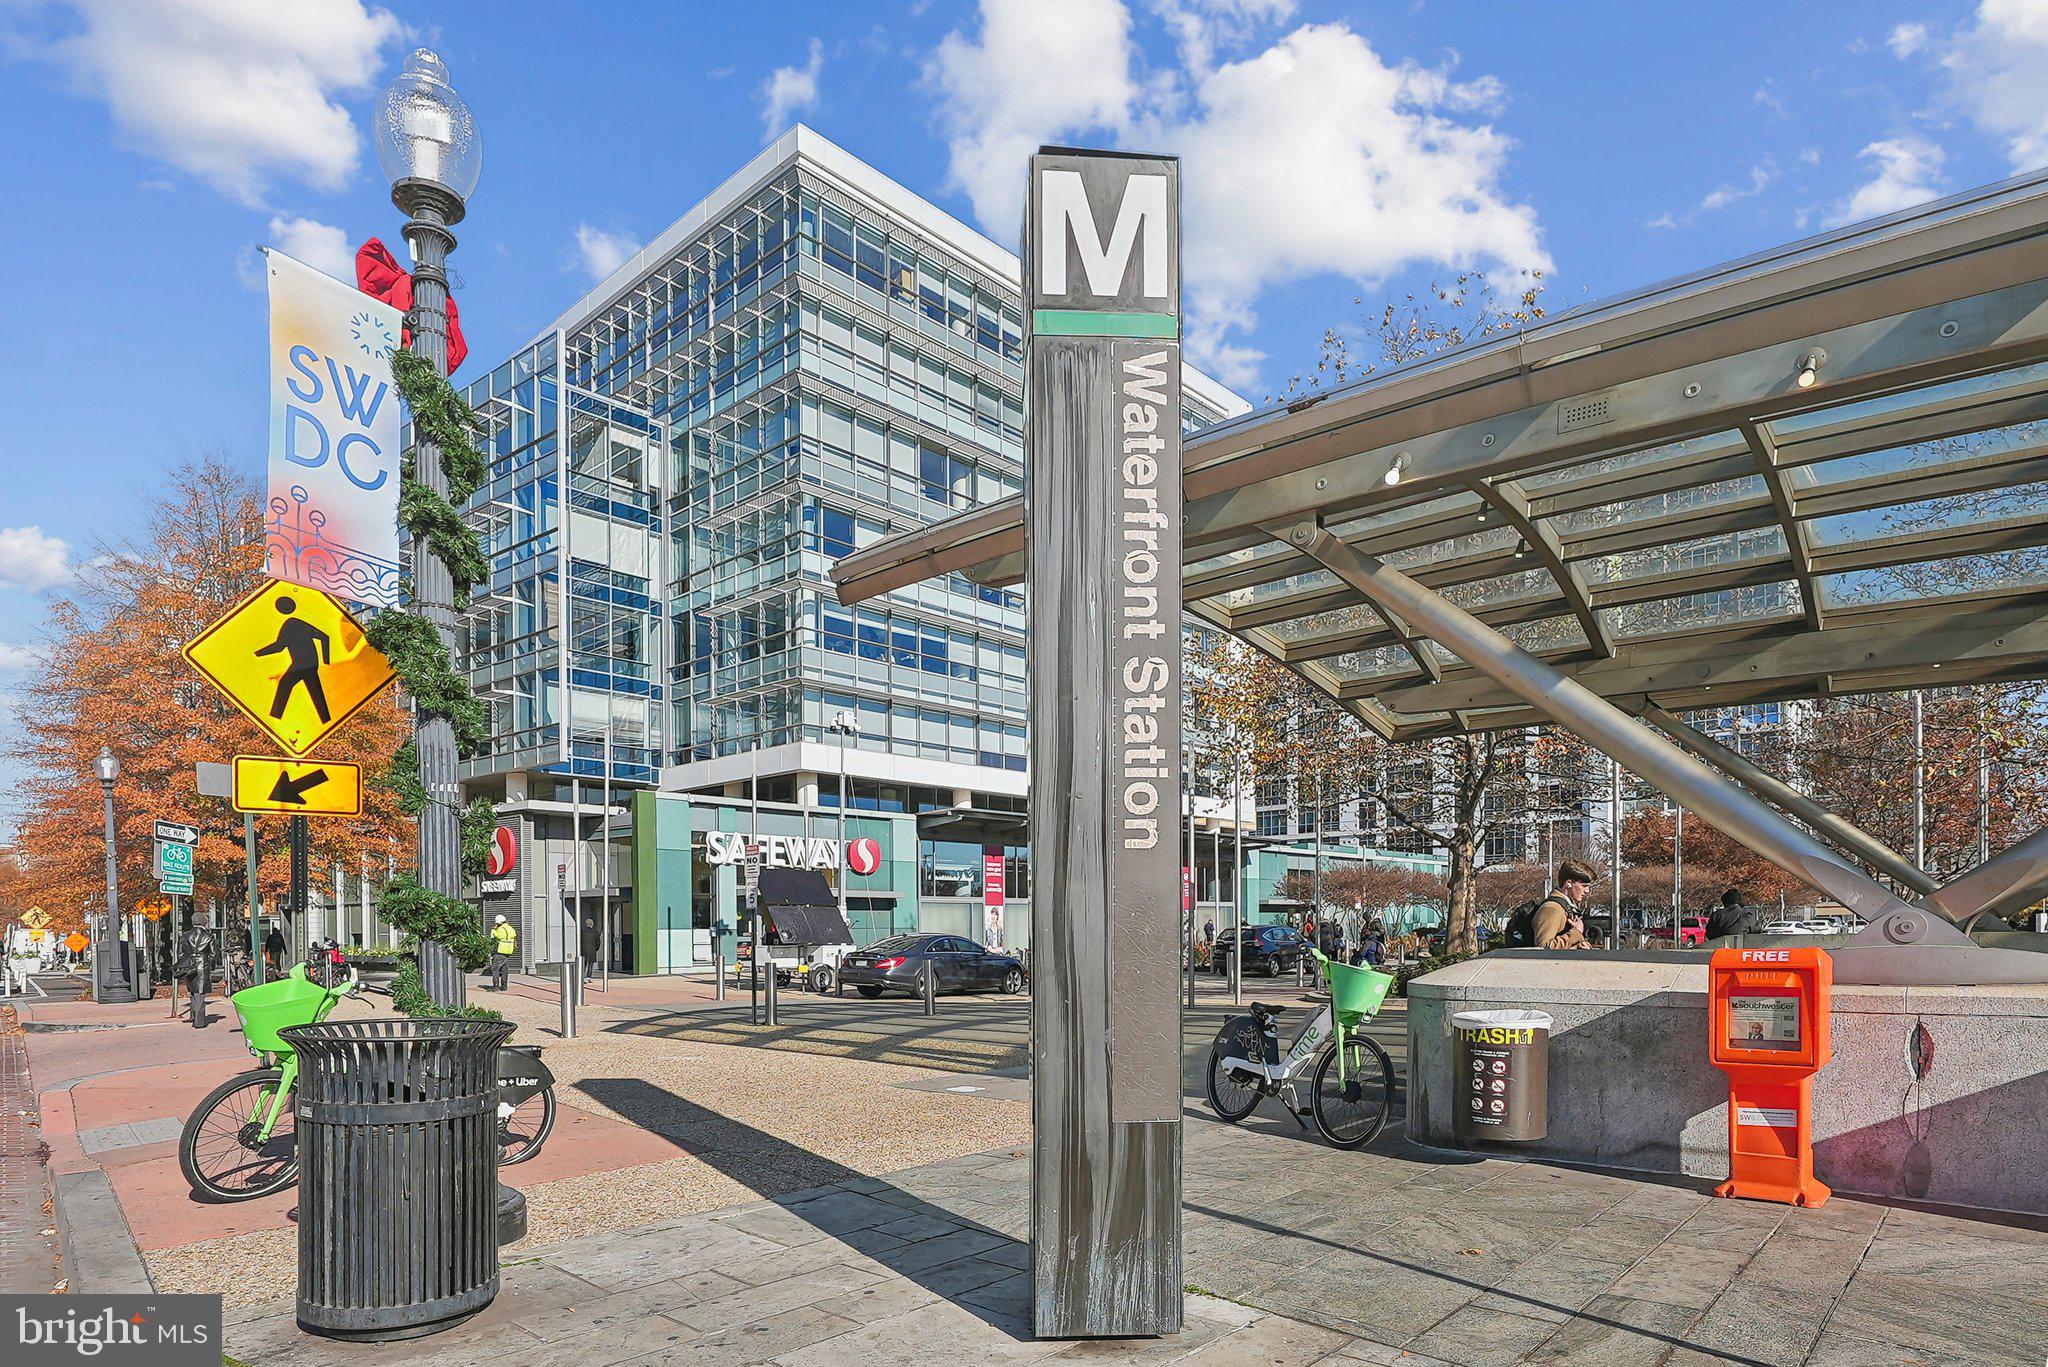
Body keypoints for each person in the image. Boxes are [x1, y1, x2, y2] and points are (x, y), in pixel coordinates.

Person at [1532, 860, 1600, 950]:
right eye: (1583, 886)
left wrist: (1579, 945)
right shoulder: (1552, 909)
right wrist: (1576, 932)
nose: (1587, 891)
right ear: (1568, 884)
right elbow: (1542, 947)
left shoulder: (1565, 907)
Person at [489, 914, 518, 991]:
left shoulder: (500, 930)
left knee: (495, 968)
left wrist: (493, 930)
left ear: (498, 923)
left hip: (499, 951)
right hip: (507, 951)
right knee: (503, 967)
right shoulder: (511, 929)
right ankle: (504, 986)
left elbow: (493, 937)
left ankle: (495, 986)